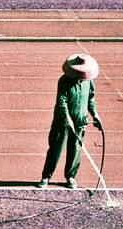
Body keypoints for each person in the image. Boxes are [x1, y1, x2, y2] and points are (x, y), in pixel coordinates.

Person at [37, 54, 103, 189]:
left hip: (80, 121)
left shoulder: (88, 81)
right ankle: (46, 176)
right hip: (62, 122)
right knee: (55, 149)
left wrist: (95, 115)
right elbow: (62, 102)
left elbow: (90, 99)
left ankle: (71, 177)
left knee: (75, 150)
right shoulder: (64, 81)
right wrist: (67, 118)